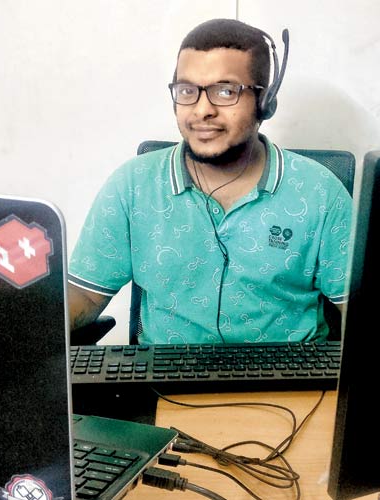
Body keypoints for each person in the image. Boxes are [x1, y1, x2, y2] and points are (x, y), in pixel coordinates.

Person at [68, 18, 352, 344]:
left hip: (292, 388)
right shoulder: (132, 186)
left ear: (265, 102)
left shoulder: (320, 192)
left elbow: (360, 311)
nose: (202, 110)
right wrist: (18, 329)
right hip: (165, 384)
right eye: (188, 91)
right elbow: (86, 296)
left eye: (225, 91)